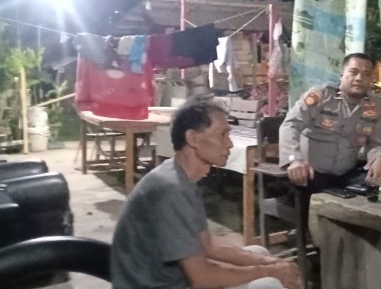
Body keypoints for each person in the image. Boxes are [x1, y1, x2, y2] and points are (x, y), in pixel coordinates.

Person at [111, 100, 300, 289]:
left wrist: (271, 263)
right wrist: (269, 272)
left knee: (260, 253)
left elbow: (209, 246)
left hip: (169, 279)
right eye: (222, 135)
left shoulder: (180, 176)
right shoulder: (171, 189)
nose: (229, 144)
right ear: (192, 138)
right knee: (269, 284)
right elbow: (202, 278)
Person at [280, 52, 381, 191]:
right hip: (311, 173)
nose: (359, 78)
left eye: (366, 74)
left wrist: (379, 157)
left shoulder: (377, 106)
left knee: (375, 190)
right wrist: (294, 159)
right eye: (353, 72)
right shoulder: (320, 96)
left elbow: (377, 143)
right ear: (342, 75)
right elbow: (290, 125)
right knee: (309, 192)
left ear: (371, 79)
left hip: (347, 173)